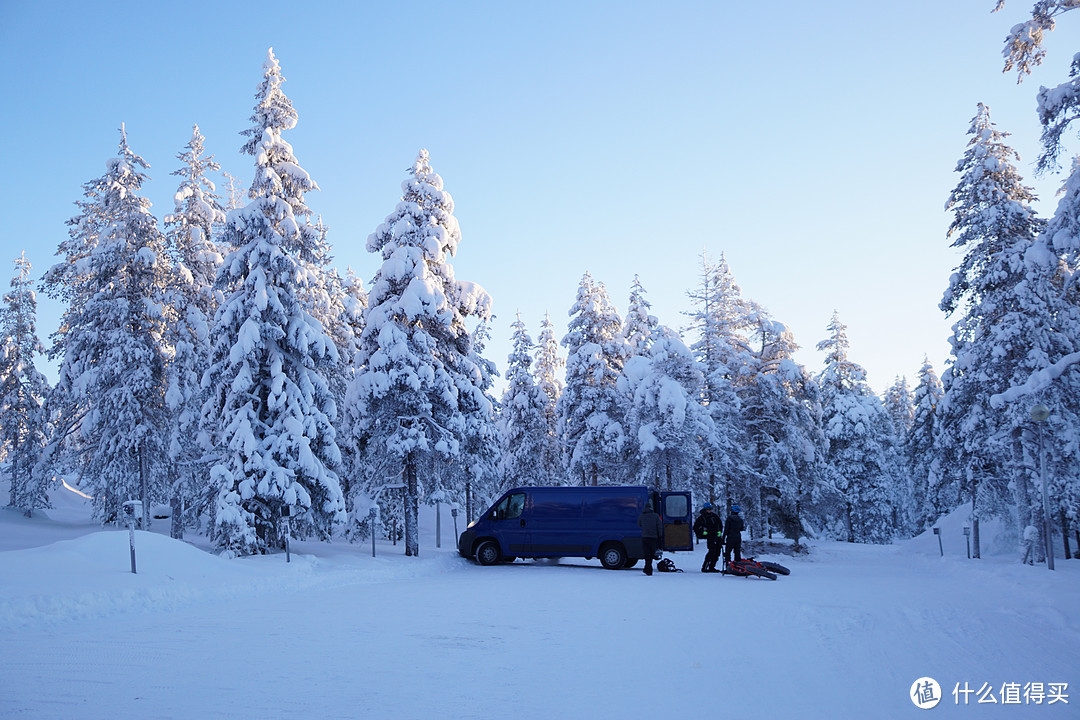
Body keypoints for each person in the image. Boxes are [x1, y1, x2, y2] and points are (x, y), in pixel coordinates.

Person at [693, 503, 723, 573]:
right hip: (710, 536)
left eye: (710, 509)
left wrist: (719, 531)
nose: (709, 511)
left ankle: (712, 567)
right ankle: (705, 567)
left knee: (717, 552)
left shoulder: (714, 516)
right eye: (708, 509)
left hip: (717, 536)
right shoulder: (701, 518)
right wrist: (702, 533)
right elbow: (695, 527)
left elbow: (719, 525)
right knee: (712, 551)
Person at [637, 503, 663, 575]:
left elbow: (639, 524)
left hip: (645, 537)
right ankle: (648, 569)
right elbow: (659, 526)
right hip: (654, 538)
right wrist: (660, 536)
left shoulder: (642, 516)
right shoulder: (656, 516)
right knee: (651, 554)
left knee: (647, 554)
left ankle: (648, 569)